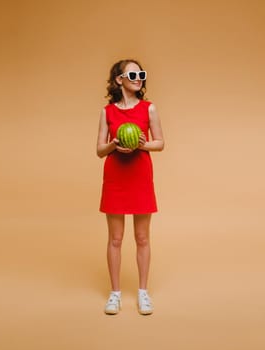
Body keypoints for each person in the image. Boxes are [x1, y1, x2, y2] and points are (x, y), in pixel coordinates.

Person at [96, 59, 164, 315]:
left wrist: (141, 144)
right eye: (132, 74)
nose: (138, 77)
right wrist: (114, 144)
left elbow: (160, 143)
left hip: (140, 176)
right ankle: (114, 294)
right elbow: (99, 150)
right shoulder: (107, 111)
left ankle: (143, 292)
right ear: (119, 80)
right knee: (115, 239)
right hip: (115, 178)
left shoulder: (150, 109)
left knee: (142, 237)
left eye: (141, 74)